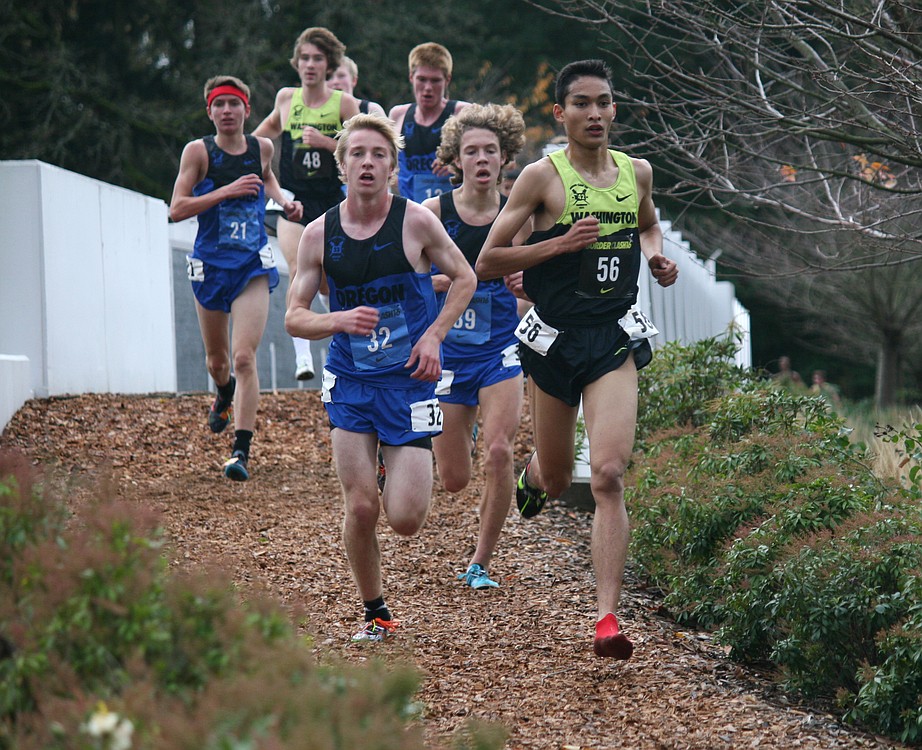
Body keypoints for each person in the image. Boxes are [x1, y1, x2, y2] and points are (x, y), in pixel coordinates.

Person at [476, 59, 679, 659]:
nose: (595, 113)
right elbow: (489, 261)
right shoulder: (542, 178)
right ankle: (535, 475)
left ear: (615, 110)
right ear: (560, 113)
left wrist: (658, 257)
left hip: (612, 336)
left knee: (609, 474)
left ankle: (607, 618)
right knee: (561, 475)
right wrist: (558, 244)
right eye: (582, 103)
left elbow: (647, 227)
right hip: (555, 338)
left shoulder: (635, 172)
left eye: (605, 102)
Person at [285, 113, 477, 642]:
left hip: (410, 380)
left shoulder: (415, 222)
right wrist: (337, 321)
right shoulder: (318, 234)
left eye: (378, 155)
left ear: (392, 165)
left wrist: (435, 335)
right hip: (350, 381)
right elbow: (294, 315)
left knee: (407, 519)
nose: (367, 163)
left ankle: (397, 470)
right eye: (357, 154)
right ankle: (375, 611)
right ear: (341, 164)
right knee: (361, 504)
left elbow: (465, 277)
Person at [170, 75, 303, 481]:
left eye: (234, 104)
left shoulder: (262, 147)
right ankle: (223, 391)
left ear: (247, 110)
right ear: (209, 111)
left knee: (245, 356)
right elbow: (176, 209)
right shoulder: (198, 152)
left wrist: (284, 202)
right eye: (219, 104)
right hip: (210, 265)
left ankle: (240, 452)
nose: (227, 111)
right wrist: (225, 192)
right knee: (218, 361)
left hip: (251, 264)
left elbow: (266, 178)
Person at [422, 103, 529, 590]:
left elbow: (538, 286)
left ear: (505, 157)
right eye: (471, 151)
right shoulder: (434, 214)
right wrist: (448, 282)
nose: (482, 158)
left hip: (499, 351)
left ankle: (480, 562)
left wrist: (527, 287)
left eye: (491, 150)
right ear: (455, 160)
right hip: (448, 354)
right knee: (453, 479)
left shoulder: (519, 213)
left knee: (501, 451)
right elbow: (411, 282)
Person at [254, 27, 361, 382]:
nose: (310, 65)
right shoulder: (286, 98)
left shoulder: (342, 103)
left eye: (317, 58)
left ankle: (343, 347)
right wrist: (240, 154)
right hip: (293, 201)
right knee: (299, 269)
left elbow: (365, 143)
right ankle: (303, 357)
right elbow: (262, 135)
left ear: (329, 63)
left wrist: (328, 144)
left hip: (331, 202)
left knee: (331, 281)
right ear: (296, 63)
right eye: (305, 58)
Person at [388, 43, 468, 202]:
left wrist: (458, 165)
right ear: (411, 77)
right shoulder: (398, 115)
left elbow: (488, 157)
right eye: (422, 79)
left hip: (453, 210)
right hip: (410, 209)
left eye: (435, 80)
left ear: (447, 80)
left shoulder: (462, 113)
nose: (428, 88)